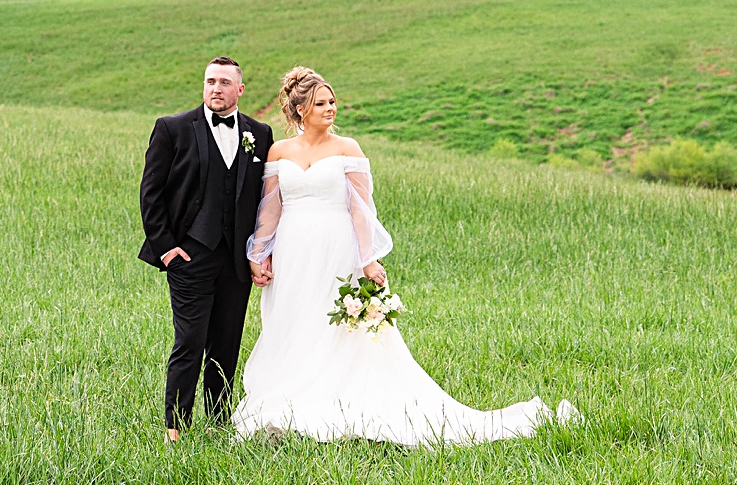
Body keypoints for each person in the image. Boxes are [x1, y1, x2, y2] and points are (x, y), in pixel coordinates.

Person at [231, 65, 581, 445]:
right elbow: (271, 208)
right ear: (300, 110)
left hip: (336, 247)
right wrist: (259, 253)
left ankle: (337, 397)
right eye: (321, 103)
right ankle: (290, 397)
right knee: (294, 320)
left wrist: (368, 259)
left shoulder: (348, 148)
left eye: (332, 101)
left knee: (334, 325)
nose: (330, 108)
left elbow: (361, 210)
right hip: (294, 250)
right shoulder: (279, 151)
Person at [138, 56, 274, 438]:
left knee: (227, 342)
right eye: (210, 81)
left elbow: (264, 198)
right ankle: (175, 427)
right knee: (190, 341)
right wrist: (167, 249)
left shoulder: (259, 134)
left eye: (225, 83)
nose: (216, 88)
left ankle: (218, 422)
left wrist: (260, 251)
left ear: (240, 90)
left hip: (236, 260)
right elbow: (151, 194)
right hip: (190, 255)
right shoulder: (172, 128)